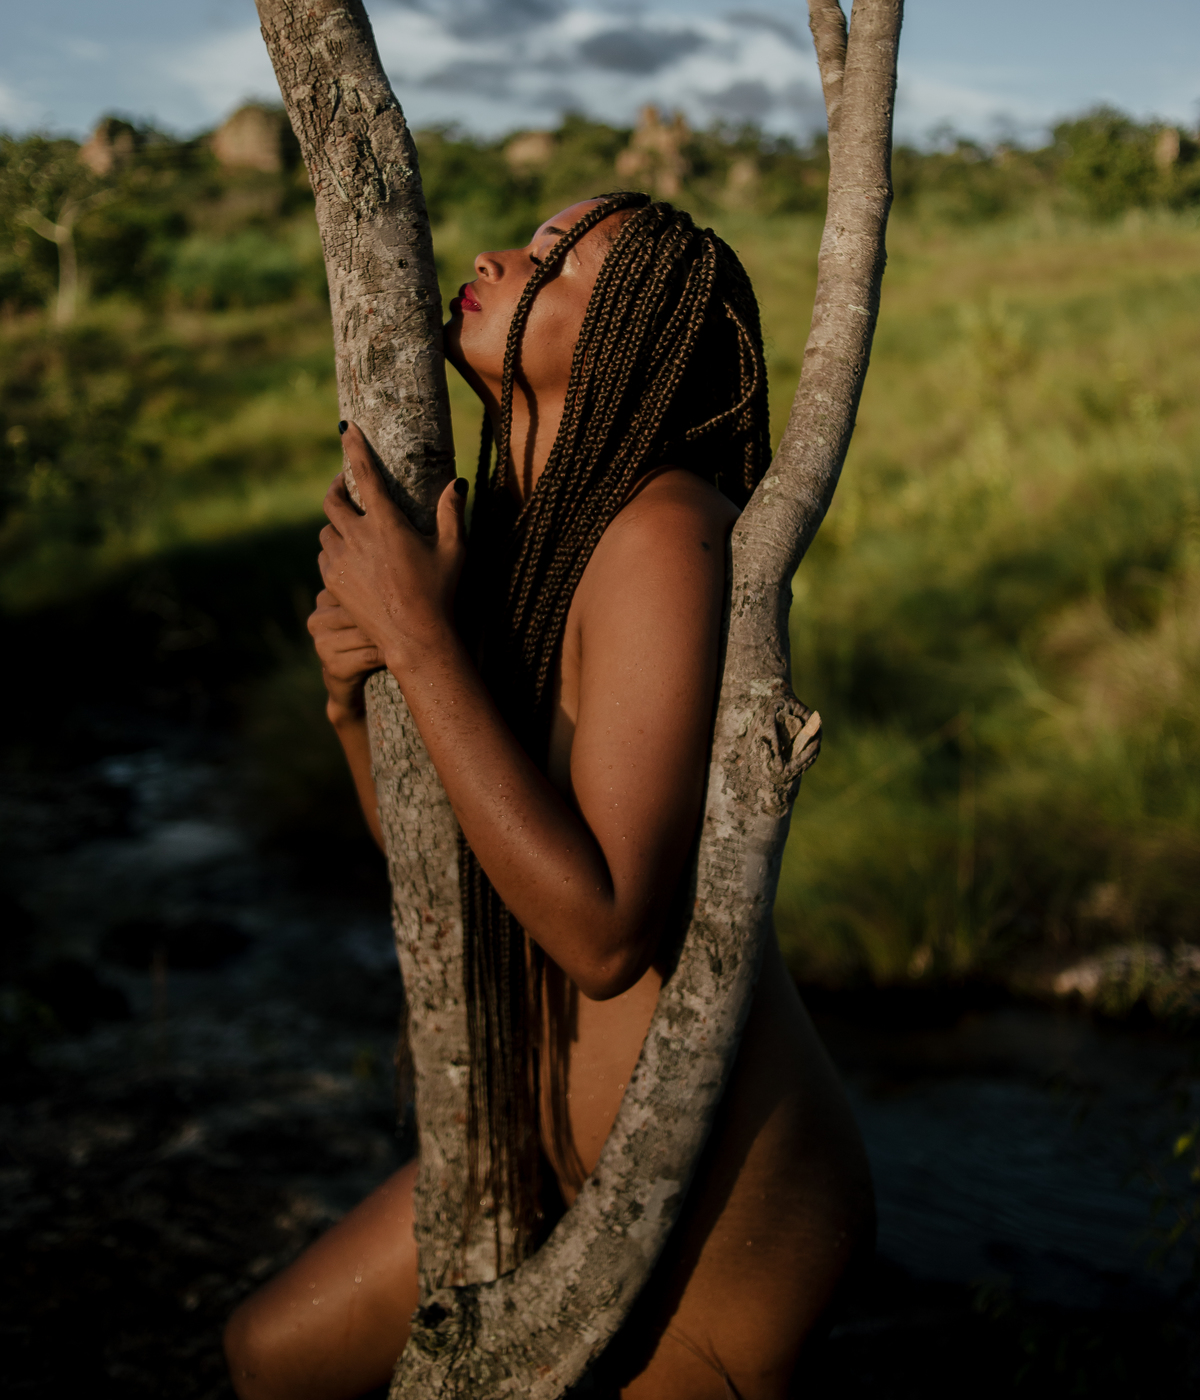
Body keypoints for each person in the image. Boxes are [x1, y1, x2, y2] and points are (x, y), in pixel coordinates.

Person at [224, 194, 873, 1400]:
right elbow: (448, 862)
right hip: (543, 1164)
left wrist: (419, 643)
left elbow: (605, 931)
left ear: (637, 339)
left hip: (715, 1213)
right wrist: (348, 700)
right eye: (534, 239)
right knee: (271, 1356)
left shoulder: (664, 533)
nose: (499, 257)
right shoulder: (526, 547)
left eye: (561, 261)